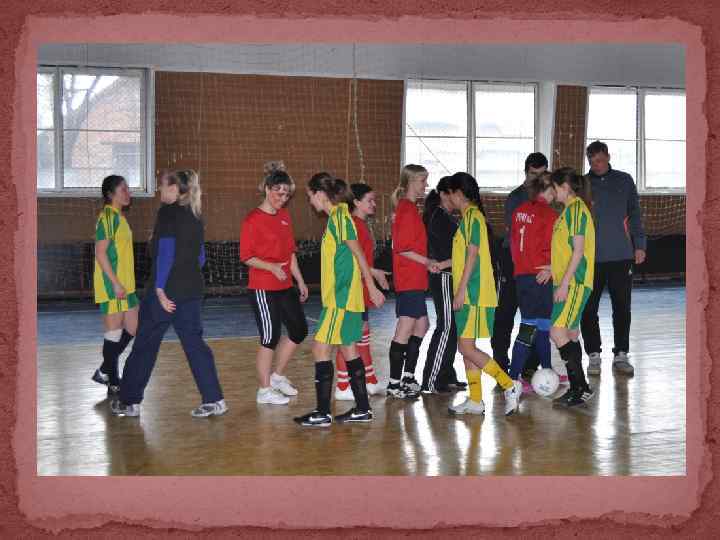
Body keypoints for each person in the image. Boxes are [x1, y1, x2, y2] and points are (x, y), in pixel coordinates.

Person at [111, 170, 226, 418]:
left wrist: (161, 290)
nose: (159, 190)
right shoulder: (195, 214)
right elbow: (200, 257)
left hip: (164, 294)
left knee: (145, 345)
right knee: (195, 345)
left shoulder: (167, 212)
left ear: (174, 189)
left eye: (162, 186)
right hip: (191, 291)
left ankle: (129, 401)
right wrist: (185, 278)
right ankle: (215, 400)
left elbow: (166, 254)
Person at [293, 173, 385, 427]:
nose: (310, 201)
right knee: (349, 349)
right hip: (346, 299)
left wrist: (371, 286)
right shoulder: (340, 217)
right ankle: (363, 409)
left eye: (310, 196)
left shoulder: (340, 217)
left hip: (341, 300)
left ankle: (322, 413)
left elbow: (358, 253)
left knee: (320, 349)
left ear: (320, 194)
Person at [446, 172, 520, 416]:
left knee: (467, 348)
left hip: (474, 294)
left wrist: (461, 291)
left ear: (458, 193)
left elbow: (472, 255)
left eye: (450, 193)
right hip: (468, 291)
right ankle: (476, 400)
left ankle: (509, 385)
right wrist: (444, 264)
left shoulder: (473, 218)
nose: (449, 198)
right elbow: (465, 256)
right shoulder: (468, 218)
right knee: (466, 348)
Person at [240, 161, 309, 406]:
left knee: (299, 330)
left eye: (286, 195)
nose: (283, 198)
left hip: (285, 286)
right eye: (279, 193)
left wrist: (299, 280)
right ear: (267, 189)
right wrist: (271, 267)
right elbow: (246, 256)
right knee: (270, 337)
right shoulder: (252, 220)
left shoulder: (284, 217)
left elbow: (290, 252)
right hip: (263, 287)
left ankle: (277, 377)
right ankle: (264, 390)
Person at [581, 141, 646, 376]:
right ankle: (593, 354)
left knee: (622, 307)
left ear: (608, 156)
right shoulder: (583, 184)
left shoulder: (625, 180)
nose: (596, 165)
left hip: (621, 255)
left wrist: (640, 245)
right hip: (590, 258)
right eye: (592, 162)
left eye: (599, 160)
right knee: (588, 309)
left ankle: (621, 353)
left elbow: (635, 214)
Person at [505, 171, 559, 414]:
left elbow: (514, 242)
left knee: (537, 324)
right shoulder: (550, 214)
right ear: (550, 189)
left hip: (522, 275)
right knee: (536, 327)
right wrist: (553, 267)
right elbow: (554, 247)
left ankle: (545, 370)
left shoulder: (519, 210)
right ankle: (513, 378)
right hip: (541, 274)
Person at [492, 153, 548, 378]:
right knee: (506, 312)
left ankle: (530, 365)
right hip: (513, 260)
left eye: (542, 174)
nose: (538, 179)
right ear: (526, 172)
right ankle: (500, 362)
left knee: (535, 315)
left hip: (537, 264)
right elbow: (514, 232)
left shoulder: (548, 198)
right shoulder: (516, 197)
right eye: (534, 174)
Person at [334, 182, 389, 400]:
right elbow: (352, 261)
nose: (374, 204)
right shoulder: (353, 225)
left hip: (361, 288)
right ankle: (342, 386)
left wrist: (374, 273)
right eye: (370, 200)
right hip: (352, 290)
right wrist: (371, 280)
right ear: (356, 202)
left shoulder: (360, 225)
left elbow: (362, 261)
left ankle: (370, 380)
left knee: (362, 336)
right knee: (350, 338)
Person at [549, 167, 596, 407]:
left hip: (575, 281)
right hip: (567, 280)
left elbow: (578, 252)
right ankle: (580, 388)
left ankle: (580, 387)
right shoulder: (568, 211)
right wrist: (552, 269)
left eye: (555, 187)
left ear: (565, 187)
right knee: (569, 333)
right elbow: (566, 251)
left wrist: (565, 283)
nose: (552, 191)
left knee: (557, 332)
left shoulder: (576, 210)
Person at [388, 164, 432, 399]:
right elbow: (403, 248)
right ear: (410, 182)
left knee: (422, 325)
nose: (426, 185)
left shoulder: (410, 208)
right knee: (405, 330)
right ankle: (394, 384)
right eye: (422, 181)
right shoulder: (406, 209)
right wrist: (428, 262)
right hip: (409, 279)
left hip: (415, 279)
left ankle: (407, 376)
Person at [91, 175, 138, 396]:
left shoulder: (120, 217)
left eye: (128, 188)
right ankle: (113, 381)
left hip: (127, 285)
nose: (128, 193)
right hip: (113, 285)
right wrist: (116, 283)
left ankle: (104, 370)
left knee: (133, 327)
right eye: (123, 189)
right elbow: (100, 253)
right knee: (114, 334)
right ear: (110, 194)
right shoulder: (108, 217)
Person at [421, 176, 463, 394]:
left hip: (450, 276)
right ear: (445, 194)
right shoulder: (438, 218)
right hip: (444, 277)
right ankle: (430, 380)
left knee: (452, 328)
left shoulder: (446, 217)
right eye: (456, 193)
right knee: (446, 327)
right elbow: (449, 252)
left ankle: (446, 375)